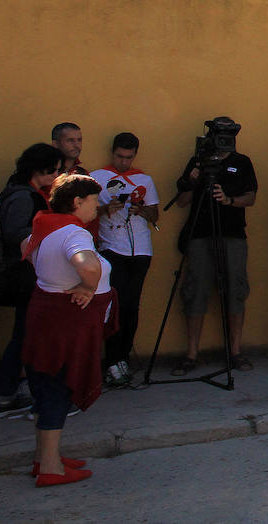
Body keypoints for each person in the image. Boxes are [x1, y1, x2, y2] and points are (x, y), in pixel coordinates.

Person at [20, 172, 112, 486]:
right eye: (94, 201)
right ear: (77, 201)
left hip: (44, 316)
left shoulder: (45, 225)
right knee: (56, 389)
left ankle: (45, 458)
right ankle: (50, 468)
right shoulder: (74, 232)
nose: (96, 208)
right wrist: (88, 286)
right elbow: (87, 264)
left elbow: (26, 249)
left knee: (45, 387)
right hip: (65, 323)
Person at [172, 117, 258, 376]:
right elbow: (182, 201)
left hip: (232, 235)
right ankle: (191, 354)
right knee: (195, 291)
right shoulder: (197, 161)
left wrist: (229, 200)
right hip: (200, 235)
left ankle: (235, 352)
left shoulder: (242, 162)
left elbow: (251, 198)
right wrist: (193, 178)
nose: (225, 141)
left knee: (235, 291)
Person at [0, 143, 64, 420]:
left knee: (24, 335)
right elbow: (15, 234)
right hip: (26, 274)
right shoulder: (22, 197)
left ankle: (8, 395)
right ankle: (19, 396)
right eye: (53, 170)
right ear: (38, 170)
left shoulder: (29, 193)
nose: (56, 176)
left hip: (29, 272)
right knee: (28, 337)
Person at [91, 133, 159, 388]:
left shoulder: (145, 179)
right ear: (112, 153)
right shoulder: (98, 177)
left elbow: (155, 216)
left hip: (140, 250)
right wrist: (104, 209)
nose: (124, 162)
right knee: (115, 305)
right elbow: (84, 212)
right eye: (120, 156)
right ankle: (111, 360)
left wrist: (139, 208)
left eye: (129, 157)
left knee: (132, 306)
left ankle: (123, 358)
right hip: (111, 248)